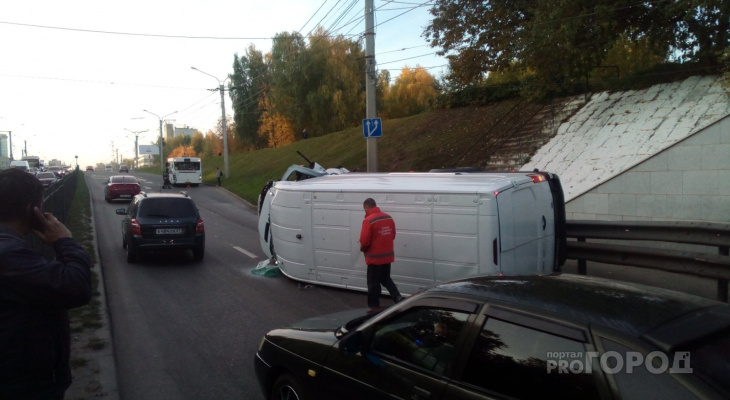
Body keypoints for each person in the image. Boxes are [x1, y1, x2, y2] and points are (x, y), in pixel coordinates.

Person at [0, 168, 92, 400]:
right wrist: (65, 242)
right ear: (32, 209)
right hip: (23, 387)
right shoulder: (9, 254)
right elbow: (76, 286)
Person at [359, 198, 403, 308]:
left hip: (374, 259)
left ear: (366, 207)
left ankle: (373, 307)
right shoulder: (388, 217)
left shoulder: (368, 220)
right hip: (387, 257)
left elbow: (364, 241)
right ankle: (397, 297)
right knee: (386, 279)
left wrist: (363, 248)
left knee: (373, 283)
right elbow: (392, 235)